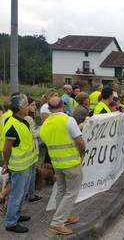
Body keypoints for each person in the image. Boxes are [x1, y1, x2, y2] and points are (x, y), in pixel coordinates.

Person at [39, 96, 85, 235]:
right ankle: (57, 223)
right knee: (71, 193)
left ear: (50, 108)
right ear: (63, 106)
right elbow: (80, 142)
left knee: (61, 191)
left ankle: (64, 217)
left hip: (56, 163)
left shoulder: (45, 124)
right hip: (71, 163)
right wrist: (82, 154)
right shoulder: (68, 120)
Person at [2, 94, 38, 233]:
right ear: (20, 108)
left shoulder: (23, 120)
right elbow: (6, 149)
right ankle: (11, 223)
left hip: (27, 164)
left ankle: (16, 216)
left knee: (21, 193)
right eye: (26, 105)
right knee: (16, 195)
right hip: (19, 167)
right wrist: (6, 163)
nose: (28, 107)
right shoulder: (12, 124)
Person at [25, 97, 42, 203]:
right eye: (33, 105)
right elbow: (33, 134)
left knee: (31, 174)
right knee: (31, 174)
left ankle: (30, 194)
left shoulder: (29, 118)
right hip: (30, 150)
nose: (35, 107)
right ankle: (30, 195)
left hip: (30, 150)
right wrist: (42, 128)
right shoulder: (28, 119)